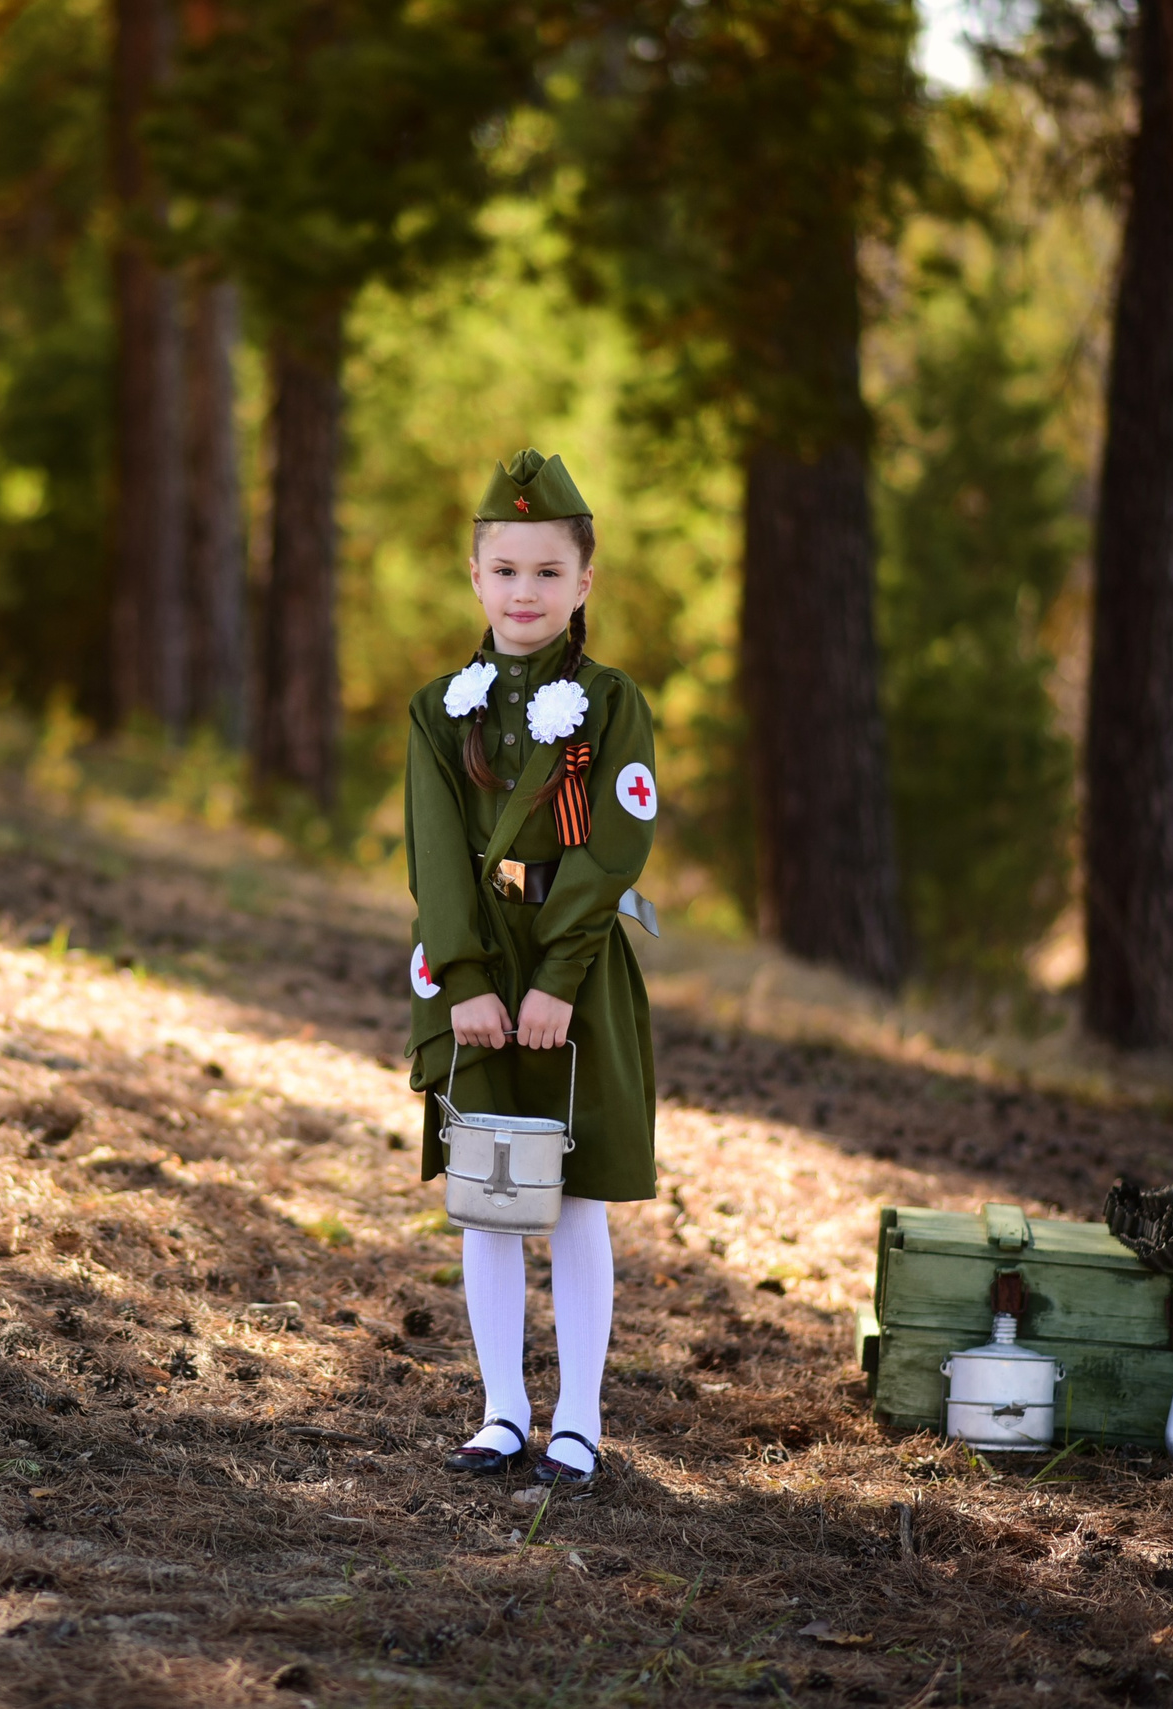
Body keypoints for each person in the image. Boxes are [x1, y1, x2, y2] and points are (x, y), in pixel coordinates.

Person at [403, 448, 659, 1489]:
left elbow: (612, 846)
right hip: (475, 965)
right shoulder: (437, 708)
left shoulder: (609, 703)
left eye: (547, 571)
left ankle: (578, 1417)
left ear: (584, 583)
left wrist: (555, 979)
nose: (524, 591)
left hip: (574, 962)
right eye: (504, 569)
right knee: (486, 1189)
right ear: (475, 577)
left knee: (573, 1195)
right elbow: (432, 851)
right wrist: (463, 977)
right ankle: (502, 1407)